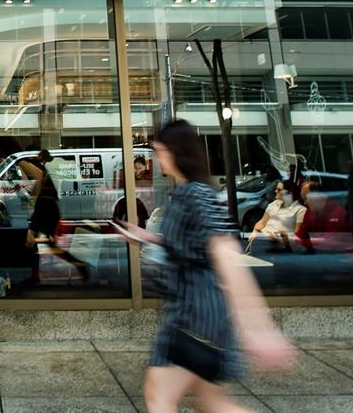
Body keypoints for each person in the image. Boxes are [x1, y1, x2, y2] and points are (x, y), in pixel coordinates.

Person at [117, 120, 294, 412]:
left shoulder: (195, 195)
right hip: (195, 312)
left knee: (158, 395)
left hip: (195, 315)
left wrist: (260, 328)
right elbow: (190, 245)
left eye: (160, 151)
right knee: (212, 403)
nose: (156, 159)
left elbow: (225, 254)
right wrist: (147, 237)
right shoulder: (186, 192)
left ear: (176, 152)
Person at [296, 182, 353, 253]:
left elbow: (329, 244)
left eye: (307, 198)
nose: (305, 203)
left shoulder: (337, 214)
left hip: (345, 256)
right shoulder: (310, 211)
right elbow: (301, 235)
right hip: (323, 254)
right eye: (304, 199)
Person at [246, 182, 307, 253]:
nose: (275, 191)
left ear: (287, 193)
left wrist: (278, 235)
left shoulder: (300, 209)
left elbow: (298, 233)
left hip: (287, 243)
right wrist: (254, 232)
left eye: (279, 189)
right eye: (276, 189)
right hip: (272, 240)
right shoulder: (273, 205)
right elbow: (262, 222)